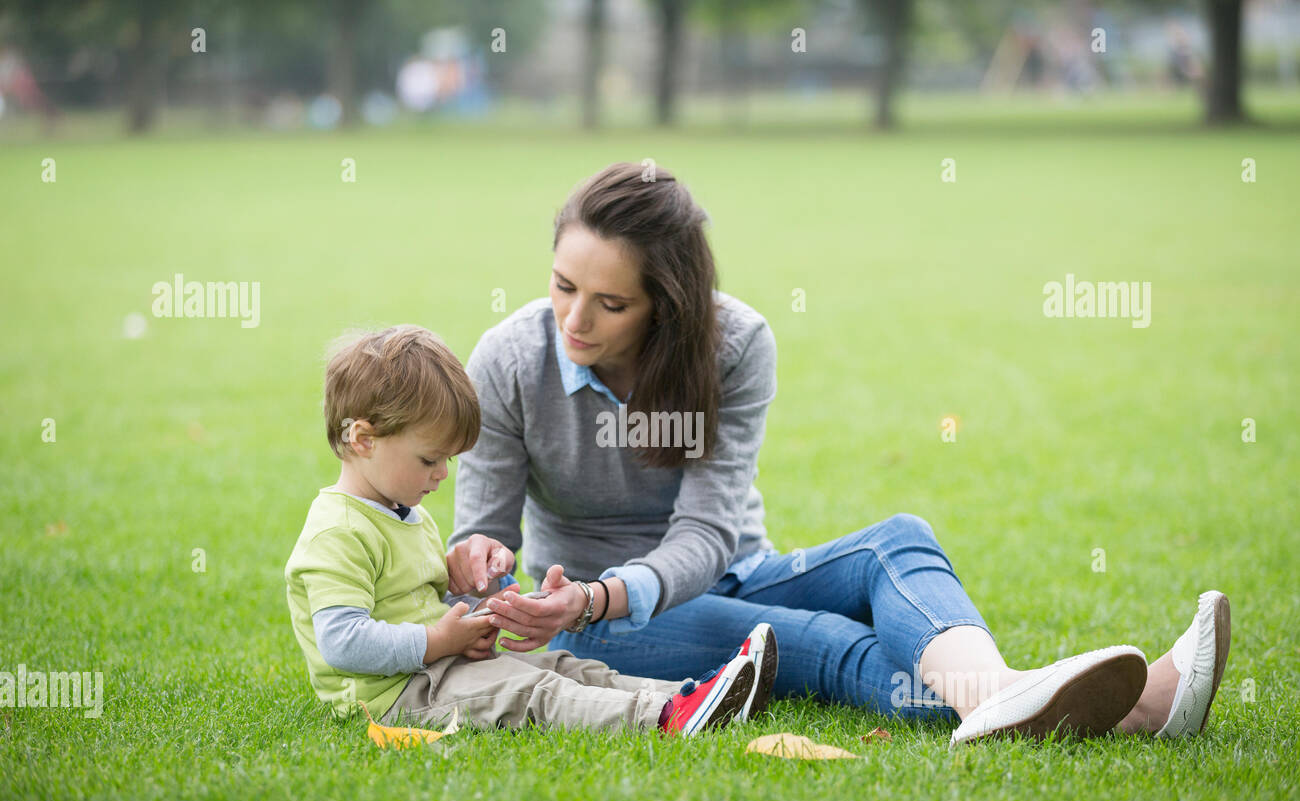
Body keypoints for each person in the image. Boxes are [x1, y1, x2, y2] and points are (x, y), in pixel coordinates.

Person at [446, 161, 1232, 748]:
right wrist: (486, 561)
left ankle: (997, 696)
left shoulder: (734, 343)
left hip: (731, 567)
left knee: (899, 539)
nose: (573, 319)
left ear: (667, 306)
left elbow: (709, 535)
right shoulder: (510, 360)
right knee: (823, 645)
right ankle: (1137, 707)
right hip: (584, 613)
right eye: (561, 287)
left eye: (610, 303)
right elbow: (480, 530)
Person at [283, 324, 778, 737]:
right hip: (394, 695)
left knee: (563, 666)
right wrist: (439, 640)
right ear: (363, 439)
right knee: (533, 691)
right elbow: (343, 641)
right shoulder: (338, 531)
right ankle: (666, 719)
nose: (442, 475)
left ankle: (698, 696)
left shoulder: (406, 512)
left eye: (449, 460)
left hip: (437, 669)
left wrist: (481, 613)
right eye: (430, 459)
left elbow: (422, 610)